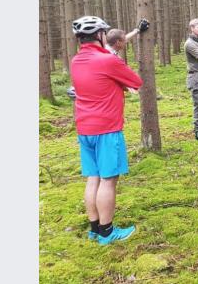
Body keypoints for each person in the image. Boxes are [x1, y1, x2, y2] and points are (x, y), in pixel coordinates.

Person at [70, 15, 144, 245]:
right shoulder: (107, 61)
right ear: (101, 36)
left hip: (84, 128)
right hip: (107, 128)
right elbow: (136, 82)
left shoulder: (76, 61)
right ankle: (107, 232)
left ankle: (94, 228)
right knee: (108, 180)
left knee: (93, 178)